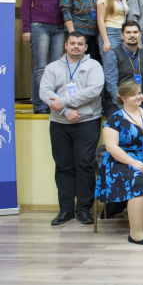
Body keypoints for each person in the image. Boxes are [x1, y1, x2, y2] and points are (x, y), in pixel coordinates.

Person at [96, 80, 143, 244]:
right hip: (120, 161)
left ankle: (140, 224)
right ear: (122, 98)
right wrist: (132, 162)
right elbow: (111, 147)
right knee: (139, 181)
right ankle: (135, 233)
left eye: (139, 93)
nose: (139, 97)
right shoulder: (114, 119)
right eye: (133, 95)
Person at [40, 32, 103, 226]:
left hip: (87, 121)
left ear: (85, 47)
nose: (76, 46)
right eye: (73, 43)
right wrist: (66, 111)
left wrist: (64, 101)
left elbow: (94, 90)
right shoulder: (52, 67)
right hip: (59, 123)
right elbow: (44, 92)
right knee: (63, 166)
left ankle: (84, 210)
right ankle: (65, 210)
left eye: (80, 44)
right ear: (65, 45)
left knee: (84, 164)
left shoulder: (93, 66)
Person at [23, 0, 66, 113]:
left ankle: (54, 104)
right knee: (40, 67)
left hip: (59, 28)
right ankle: (40, 105)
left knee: (57, 68)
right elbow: (26, 4)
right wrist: (26, 29)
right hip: (39, 26)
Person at [105, 21, 143, 121]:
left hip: (139, 100)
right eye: (128, 32)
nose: (132, 35)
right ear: (122, 35)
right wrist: (124, 105)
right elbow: (111, 85)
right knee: (127, 121)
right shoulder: (113, 55)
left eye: (135, 32)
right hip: (117, 101)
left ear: (140, 35)